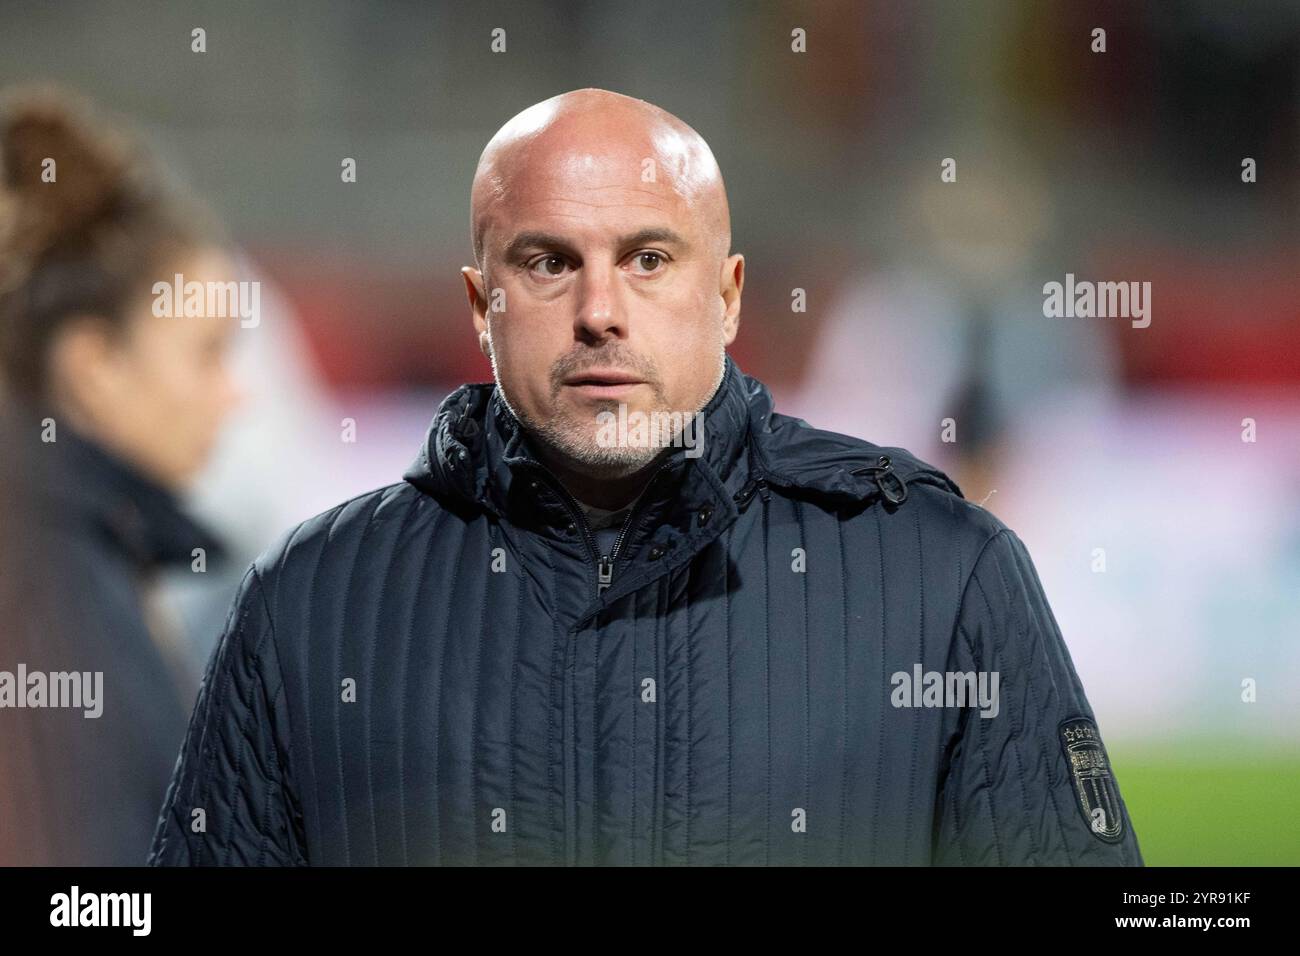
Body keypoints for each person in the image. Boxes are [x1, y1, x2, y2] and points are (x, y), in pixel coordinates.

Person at [148, 88, 1142, 866]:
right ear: (478, 303)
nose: (600, 310)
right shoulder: (308, 599)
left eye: (648, 258)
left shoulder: (946, 574)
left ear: (728, 294)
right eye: (546, 262)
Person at [0, 88, 242, 864]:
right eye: (208, 353)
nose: (236, 394)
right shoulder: (47, 592)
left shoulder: (95, 558)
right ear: (94, 365)